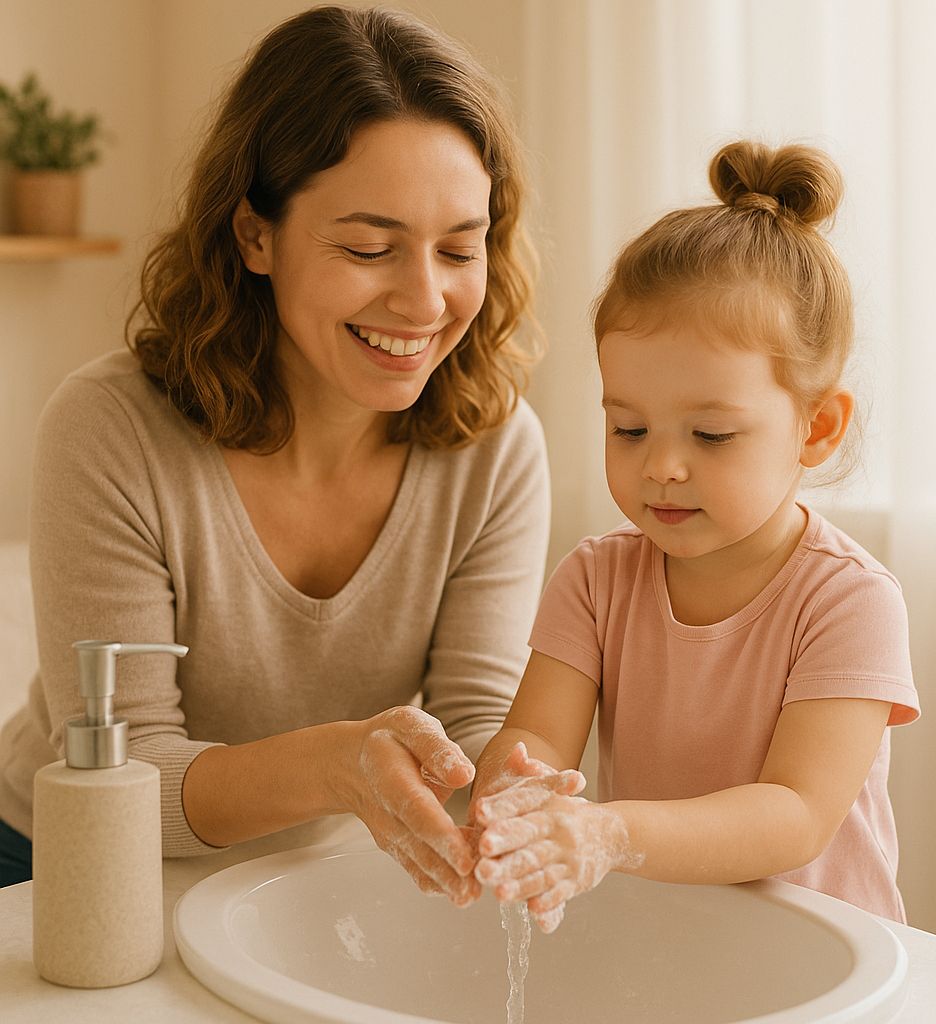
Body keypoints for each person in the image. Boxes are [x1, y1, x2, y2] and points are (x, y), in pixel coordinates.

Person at [0, 5, 552, 901]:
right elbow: (125, 774)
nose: (424, 301)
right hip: (59, 860)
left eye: (460, 248)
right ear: (255, 234)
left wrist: (530, 792)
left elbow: (472, 720)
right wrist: (338, 765)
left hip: (307, 876)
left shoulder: (495, 450)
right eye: (370, 247)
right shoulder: (111, 430)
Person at [468, 140, 920, 933]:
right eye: (629, 427)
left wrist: (611, 832)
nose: (663, 467)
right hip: (664, 946)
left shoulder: (851, 602)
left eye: (710, 435)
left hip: (823, 966)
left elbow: (794, 815)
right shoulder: (594, 580)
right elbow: (537, 734)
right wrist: (515, 795)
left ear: (817, 428)